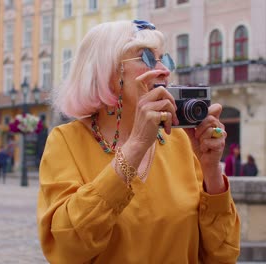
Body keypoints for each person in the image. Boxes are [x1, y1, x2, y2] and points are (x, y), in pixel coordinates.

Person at [37, 20, 240, 263]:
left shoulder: (181, 142)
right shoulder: (66, 142)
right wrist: (136, 145)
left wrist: (211, 170)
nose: (164, 70)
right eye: (145, 57)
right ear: (107, 71)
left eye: (164, 59)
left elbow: (223, 253)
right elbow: (67, 246)